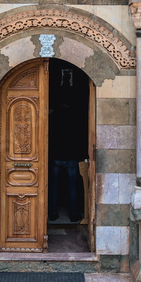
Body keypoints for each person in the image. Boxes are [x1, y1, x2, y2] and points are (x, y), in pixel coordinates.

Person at [48, 68, 88, 222]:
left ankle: (52, 213)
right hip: (71, 156)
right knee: (72, 185)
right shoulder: (74, 118)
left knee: (54, 185)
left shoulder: (53, 118)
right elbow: (78, 136)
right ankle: (73, 214)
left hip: (56, 156)